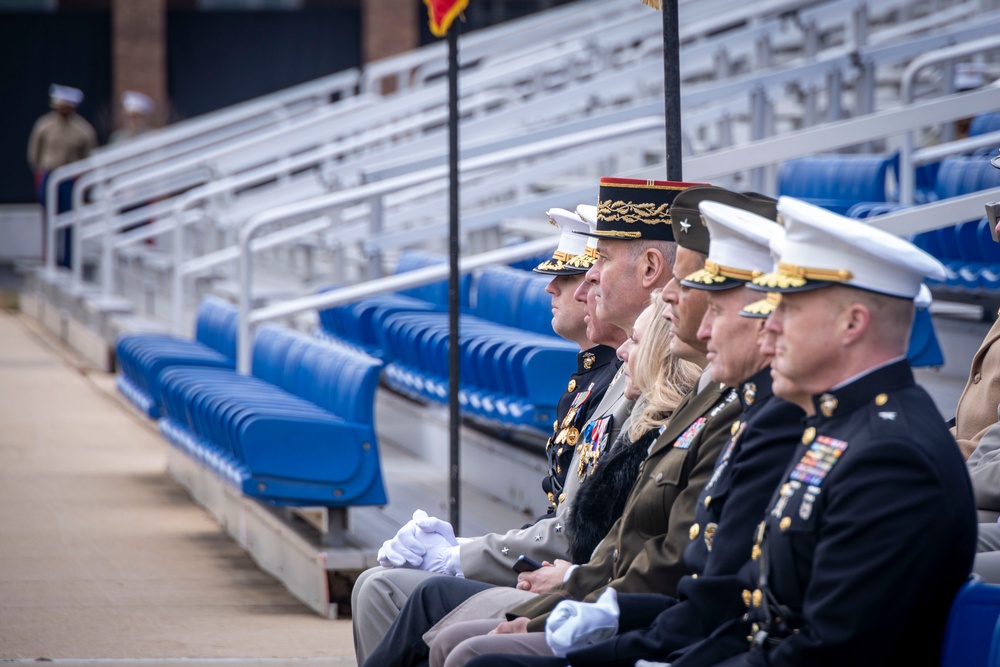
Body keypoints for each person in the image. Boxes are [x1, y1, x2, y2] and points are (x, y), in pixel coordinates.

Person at [425, 192, 804, 667]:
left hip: (647, 614)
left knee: (469, 650)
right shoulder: (709, 395)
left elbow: (686, 567)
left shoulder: (737, 405)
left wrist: (574, 600)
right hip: (616, 597)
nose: (586, 281)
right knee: (447, 634)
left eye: (597, 261)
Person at [354, 178, 698, 666]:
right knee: (393, 593)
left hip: (604, 593)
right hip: (588, 581)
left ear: (648, 268)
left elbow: (618, 538)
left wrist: (463, 555)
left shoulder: (668, 386)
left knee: (419, 608)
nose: (585, 282)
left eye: (599, 260)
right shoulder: (628, 374)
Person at [662, 196, 974, 667]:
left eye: (788, 308)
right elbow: (758, 611)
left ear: (853, 323)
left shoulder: (890, 458)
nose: (770, 327)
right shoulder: (840, 426)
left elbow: (826, 652)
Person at [26, 84, 97, 267]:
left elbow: (89, 157)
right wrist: (40, 172)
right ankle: (48, 259)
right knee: (49, 219)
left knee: (70, 221)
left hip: (70, 179)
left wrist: (82, 177)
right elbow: (35, 152)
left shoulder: (82, 129)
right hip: (50, 174)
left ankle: (68, 262)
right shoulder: (45, 125)